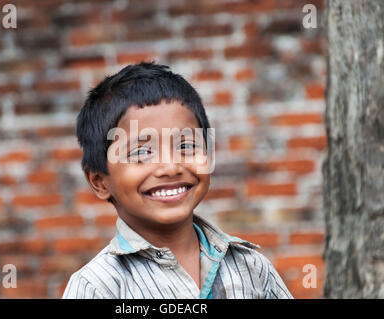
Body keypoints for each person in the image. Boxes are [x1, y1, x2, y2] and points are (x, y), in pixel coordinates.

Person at [62, 62, 293, 299]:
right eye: (141, 152)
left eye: (186, 146)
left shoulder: (252, 269)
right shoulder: (97, 287)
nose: (170, 167)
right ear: (100, 182)